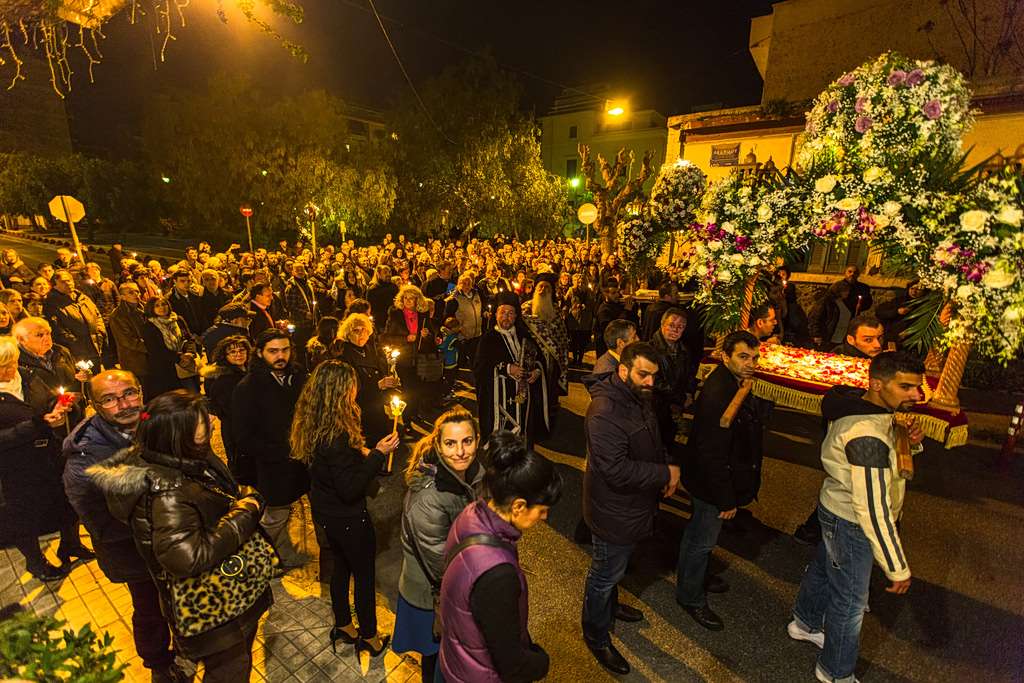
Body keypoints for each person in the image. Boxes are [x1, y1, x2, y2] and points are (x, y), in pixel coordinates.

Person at [88, 390, 272, 682]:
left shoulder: (184, 462)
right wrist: (245, 513)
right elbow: (186, 557)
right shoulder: (168, 491)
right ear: (178, 435)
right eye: (202, 422)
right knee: (229, 670)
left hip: (225, 595)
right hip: (212, 607)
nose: (212, 422)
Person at [789, 352, 925, 683]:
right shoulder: (868, 434)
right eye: (906, 387)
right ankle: (835, 672)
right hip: (851, 520)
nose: (916, 396)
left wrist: (909, 443)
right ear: (876, 384)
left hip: (836, 507)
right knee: (850, 602)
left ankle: (804, 623)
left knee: (823, 568)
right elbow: (872, 508)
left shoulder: (867, 408)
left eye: (918, 388)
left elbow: (880, 463)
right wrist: (897, 567)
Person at [61, 370, 188, 683]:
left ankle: (189, 645)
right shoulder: (86, 455)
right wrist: (156, 524)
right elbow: (98, 523)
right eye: (110, 399)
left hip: (174, 542)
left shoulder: (153, 422)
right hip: (135, 554)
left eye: (130, 393)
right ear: (94, 405)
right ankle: (160, 665)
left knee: (181, 599)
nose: (124, 404)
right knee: (150, 610)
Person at [289, 360, 401, 657]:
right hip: (347, 517)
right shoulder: (334, 434)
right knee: (363, 576)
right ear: (340, 391)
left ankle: (344, 625)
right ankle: (370, 636)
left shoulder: (315, 420)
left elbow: (332, 464)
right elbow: (350, 488)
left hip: (324, 511)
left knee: (341, 567)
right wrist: (377, 454)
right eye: (351, 386)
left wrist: (359, 450)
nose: (355, 391)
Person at [580, 342, 679, 675]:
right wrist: (665, 473)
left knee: (614, 569)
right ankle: (596, 635)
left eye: (654, 375)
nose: (650, 382)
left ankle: (611, 606)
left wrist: (664, 462)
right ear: (622, 371)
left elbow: (652, 439)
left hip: (630, 506)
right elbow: (616, 470)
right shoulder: (605, 411)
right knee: (604, 573)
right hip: (613, 510)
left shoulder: (636, 396)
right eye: (643, 374)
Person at [438, 430, 561, 683]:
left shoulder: (472, 513)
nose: (544, 518)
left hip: (456, 660)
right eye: (542, 510)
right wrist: (541, 661)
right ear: (518, 506)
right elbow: (512, 664)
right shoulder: (497, 574)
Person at [677, 330, 770, 631]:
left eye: (755, 357)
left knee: (700, 537)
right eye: (743, 357)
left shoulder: (732, 381)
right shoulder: (721, 393)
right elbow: (711, 453)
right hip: (710, 484)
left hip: (712, 480)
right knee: (701, 540)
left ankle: (697, 576)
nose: (751, 363)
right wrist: (726, 500)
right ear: (725, 356)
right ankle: (690, 596)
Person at [393, 407, 483, 682]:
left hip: (454, 589)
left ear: (477, 440)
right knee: (436, 662)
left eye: (466, 441)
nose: (460, 451)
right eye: (450, 443)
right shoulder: (428, 498)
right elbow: (440, 566)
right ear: (438, 445)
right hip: (432, 597)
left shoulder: (472, 472)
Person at [0, 336, 87, 582]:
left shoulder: (28, 377)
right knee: (22, 516)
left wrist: (61, 407)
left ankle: (70, 544)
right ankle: (36, 563)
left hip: (49, 453)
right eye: (4, 366)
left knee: (65, 498)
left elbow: (49, 400)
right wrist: (36, 425)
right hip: (14, 465)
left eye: (13, 362)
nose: (11, 369)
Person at [231, 330, 310, 569]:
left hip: (305, 458)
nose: (280, 356)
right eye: (273, 351)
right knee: (276, 516)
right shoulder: (248, 388)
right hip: (275, 465)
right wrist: (279, 454)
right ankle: (259, 559)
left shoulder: (299, 375)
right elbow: (244, 436)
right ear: (259, 353)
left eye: (284, 350)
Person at [473, 292, 547, 445]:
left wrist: (537, 371)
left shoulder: (523, 335)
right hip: (499, 400)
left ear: (515, 316)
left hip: (523, 396)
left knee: (522, 436)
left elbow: (539, 358)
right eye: (503, 312)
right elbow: (480, 367)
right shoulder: (488, 338)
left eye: (510, 313)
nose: (506, 317)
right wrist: (507, 369)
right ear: (496, 314)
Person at [12, 317, 89, 428]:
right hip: (45, 423)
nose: (47, 339)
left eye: (48, 333)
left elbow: (74, 381)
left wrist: (84, 380)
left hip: (73, 416)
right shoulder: (16, 363)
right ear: (22, 339)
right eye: (39, 335)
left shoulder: (62, 352)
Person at [338, 313, 399, 447]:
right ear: (348, 333)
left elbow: (378, 371)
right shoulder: (345, 355)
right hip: (360, 408)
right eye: (356, 330)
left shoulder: (369, 349)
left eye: (364, 329)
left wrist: (389, 379)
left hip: (376, 405)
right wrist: (379, 384)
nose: (361, 334)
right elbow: (350, 388)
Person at [202, 335, 254, 484]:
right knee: (240, 465)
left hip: (253, 425)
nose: (238, 354)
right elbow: (230, 410)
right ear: (225, 356)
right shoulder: (224, 379)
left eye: (241, 350)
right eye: (232, 352)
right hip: (235, 428)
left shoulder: (252, 370)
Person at [521, 273, 570, 429]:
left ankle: (549, 417)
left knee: (550, 388)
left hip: (552, 358)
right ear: (535, 289)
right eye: (540, 286)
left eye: (547, 287)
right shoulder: (525, 309)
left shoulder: (555, 310)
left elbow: (562, 337)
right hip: (531, 358)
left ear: (552, 291)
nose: (543, 289)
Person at [383, 285, 434, 425]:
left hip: (418, 357)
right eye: (405, 298)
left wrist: (426, 335)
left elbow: (432, 336)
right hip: (404, 357)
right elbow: (387, 337)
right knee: (406, 389)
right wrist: (406, 339)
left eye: (411, 298)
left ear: (418, 300)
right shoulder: (396, 315)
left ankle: (415, 413)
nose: (408, 301)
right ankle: (406, 420)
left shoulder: (422, 315)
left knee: (417, 388)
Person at [650, 307, 695, 451]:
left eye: (680, 327)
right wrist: (680, 398)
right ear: (662, 325)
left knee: (669, 444)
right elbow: (654, 381)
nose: (675, 330)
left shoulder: (684, 350)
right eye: (671, 325)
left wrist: (688, 394)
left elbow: (691, 374)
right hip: (655, 410)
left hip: (675, 410)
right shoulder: (649, 349)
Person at [45, 269, 107, 368]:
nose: (68, 283)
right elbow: (57, 328)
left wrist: (99, 333)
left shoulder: (83, 298)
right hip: (76, 352)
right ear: (54, 285)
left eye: (69, 280)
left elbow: (97, 315)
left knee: (95, 378)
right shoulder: (52, 303)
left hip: (94, 347)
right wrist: (76, 342)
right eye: (63, 282)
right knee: (81, 379)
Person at [141, 296, 200, 396]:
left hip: (185, 366)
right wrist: (179, 356)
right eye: (157, 305)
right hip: (166, 370)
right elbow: (155, 350)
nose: (162, 307)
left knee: (193, 396)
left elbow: (189, 338)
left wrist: (190, 353)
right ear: (151, 308)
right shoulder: (149, 327)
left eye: (164, 304)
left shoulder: (178, 320)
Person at [108, 283, 149, 396]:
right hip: (135, 361)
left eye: (137, 291)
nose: (136, 295)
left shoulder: (146, 308)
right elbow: (127, 340)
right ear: (122, 297)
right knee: (142, 393)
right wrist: (152, 346)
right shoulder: (118, 315)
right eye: (131, 292)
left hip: (152, 359)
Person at [592, 279, 639, 359]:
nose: (617, 295)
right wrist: (626, 311)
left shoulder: (619, 305)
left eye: (618, 292)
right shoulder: (603, 310)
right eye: (613, 293)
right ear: (605, 294)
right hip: (608, 351)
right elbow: (614, 329)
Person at [443, 274, 482, 369]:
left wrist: (485, 314)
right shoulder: (454, 299)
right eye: (464, 283)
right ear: (459, 284)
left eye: (469, 283)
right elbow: (446, 317)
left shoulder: (476, 295)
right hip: (462, 336)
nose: (467, 286)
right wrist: (459, 327)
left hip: (476, 334)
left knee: (475, 361)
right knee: (461, 362)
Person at [563, 273, 595, 366]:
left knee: (582, 341)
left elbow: (592, 306)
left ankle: (580, 358)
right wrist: (565, 311)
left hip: (585, 320)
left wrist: (584, 307)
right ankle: (574, 357)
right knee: (574, 340)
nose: (581, 284)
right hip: (574, 319)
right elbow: (567, 303)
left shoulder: (590, 293)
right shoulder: (572, 291)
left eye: (583, 283)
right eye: (579, 282)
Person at [810, 281, 853, 351]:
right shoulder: (825, 303)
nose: (848, 292)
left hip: (841, 337)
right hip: (828, 337)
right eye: (845, 291)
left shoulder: (845, 303)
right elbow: (814, 319)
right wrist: (816, 335)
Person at [438, 317, 463, 401]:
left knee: (445, 379)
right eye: (457, 328)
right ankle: (447, 394)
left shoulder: (444, 334)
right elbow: (461, 346)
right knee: (450, 380)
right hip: (451, 362)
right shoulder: (453, 338)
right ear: (453, 329)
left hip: (444, 361)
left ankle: (444, 392)